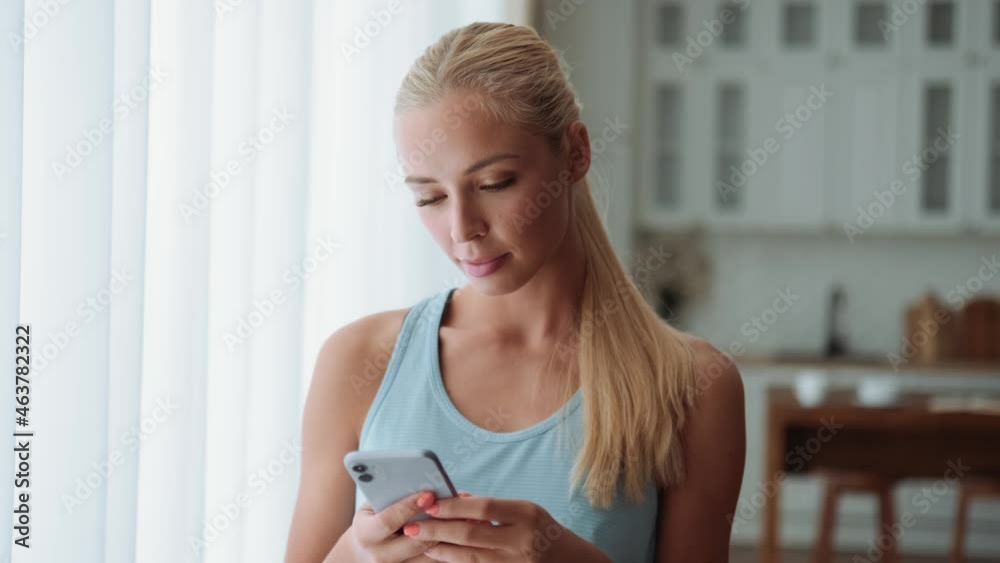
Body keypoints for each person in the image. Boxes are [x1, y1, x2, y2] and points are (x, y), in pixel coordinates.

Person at [285, 21, 745, 563]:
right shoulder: (362, 360)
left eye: (493, 184)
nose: (463, 229)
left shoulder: (692, 386)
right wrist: (355, 555)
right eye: (430, 198)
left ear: (575, 153)